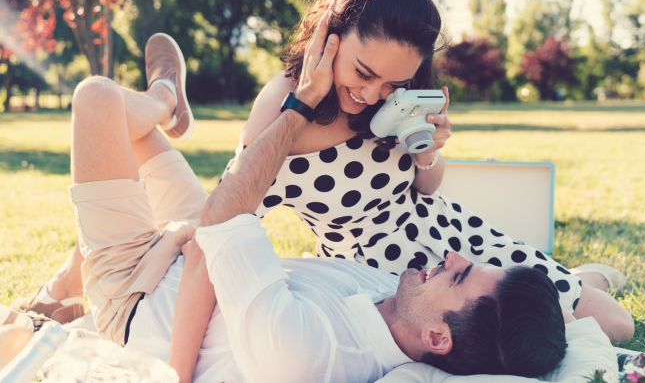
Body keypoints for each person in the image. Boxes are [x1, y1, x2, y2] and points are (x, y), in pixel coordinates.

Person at [18, 27, 569, 383]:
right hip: (188, 248)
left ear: (438, 340)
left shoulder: (307, 351)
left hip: (136, 292)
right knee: (127, 144)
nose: (448, 257)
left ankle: (165, 98)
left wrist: (302, 103)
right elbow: (215, 241)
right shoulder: (392, 294)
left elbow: (221, 230)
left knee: (97, 101)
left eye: (458, 276)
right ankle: (61, 287)